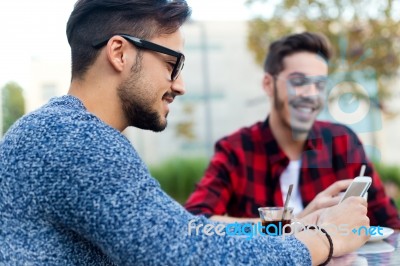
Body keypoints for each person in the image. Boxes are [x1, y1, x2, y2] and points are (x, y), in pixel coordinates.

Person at [0, 1, 369, 265]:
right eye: (172, 64)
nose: (180, 86)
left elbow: (189, 231)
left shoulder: (63, 131)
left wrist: (295, 226)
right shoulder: (74, 141)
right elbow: (183, 253)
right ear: (119, 52)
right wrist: (322, 240)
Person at [185, 32, 400, 229]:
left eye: (320, 85)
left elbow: (390, 224)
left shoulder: (342, 142)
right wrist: (294, 225)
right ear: (268, 85)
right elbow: (195, 221)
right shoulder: (236, 150)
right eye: (299, 82)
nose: (311, 94)